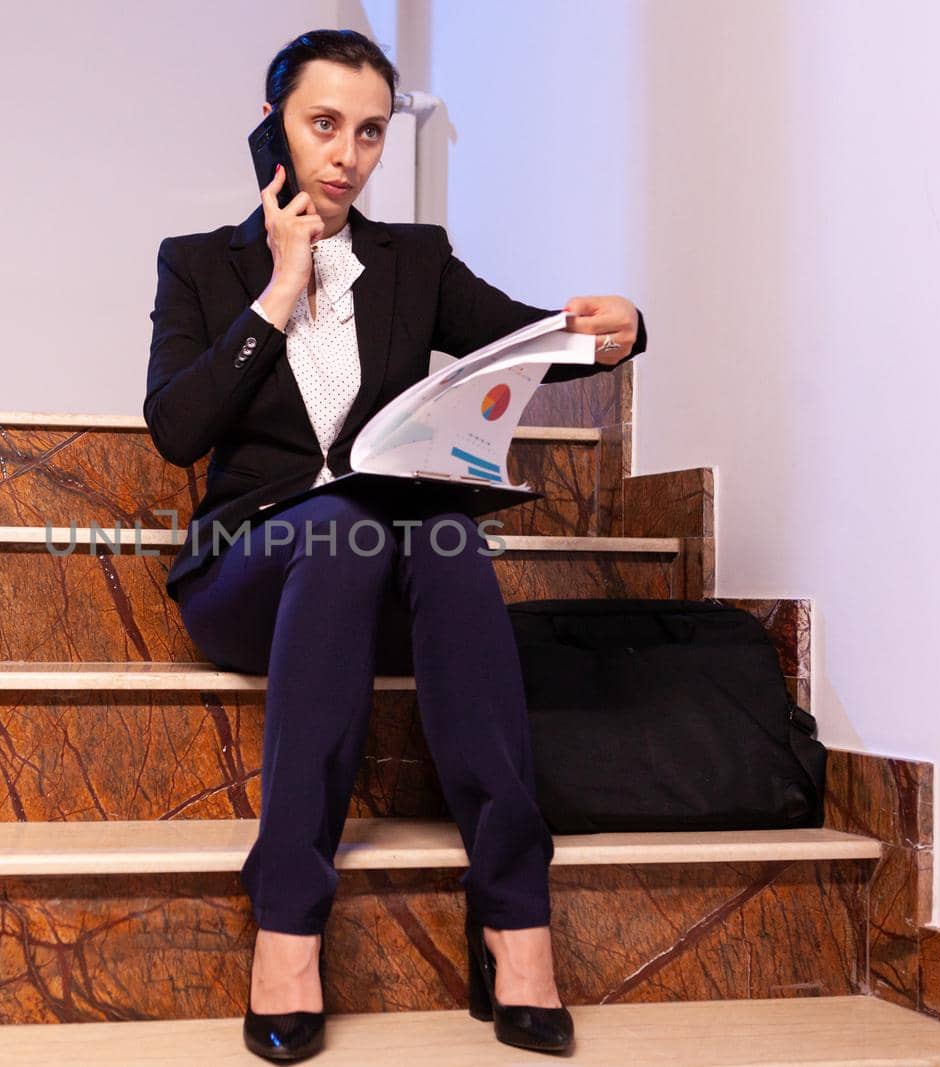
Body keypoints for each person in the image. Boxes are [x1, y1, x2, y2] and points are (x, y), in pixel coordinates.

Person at [143, 29, 646, 1061]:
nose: (346, 156)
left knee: (445, 538)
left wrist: (619, 326)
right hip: (253, 574)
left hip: (382, 584)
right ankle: (287, 920)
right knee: (339, 521)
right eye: (323, 126)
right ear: (273, 128)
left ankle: (513, 915)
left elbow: (528, 341)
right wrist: (279, 288)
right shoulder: (202, 265)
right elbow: (177, 430)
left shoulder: (413, 259)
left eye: (369, 133)